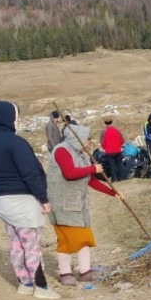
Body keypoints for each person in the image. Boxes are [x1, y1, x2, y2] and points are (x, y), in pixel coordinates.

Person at [0, 100, 59, 299]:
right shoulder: (15, 142)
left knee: (16, 244)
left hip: (1, 199)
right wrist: (43, 198)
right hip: (22, 200)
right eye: (15, 116)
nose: (17, 120)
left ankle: (24, 282)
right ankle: (40, 287)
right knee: (31, 245)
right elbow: (30, 173)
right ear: (8, 117)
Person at [47, 122, 120, 285]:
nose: (89, 143)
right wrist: (93, 169)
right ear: (77, 138)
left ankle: (85, 271)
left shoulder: (80, 154)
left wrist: (112, 193)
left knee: (84, 237)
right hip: (61, 204)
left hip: (77, 204)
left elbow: (91, 181)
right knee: (66, 239)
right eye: (87, 139)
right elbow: (70, 173)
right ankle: (65, 273)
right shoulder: (61, 151)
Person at [99, 117, 126, 182]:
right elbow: (122, 140)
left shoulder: (104, 132)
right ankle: (122, 178)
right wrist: (118, 146)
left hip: (109, 152)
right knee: (120, 165)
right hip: (118, 150)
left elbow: (102, 142)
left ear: (105, 123)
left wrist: (105, 148)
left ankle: (114, 179)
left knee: (112, 166)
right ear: (112, 122)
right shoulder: (117, 130)